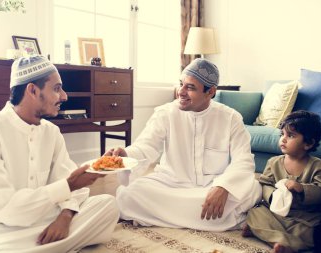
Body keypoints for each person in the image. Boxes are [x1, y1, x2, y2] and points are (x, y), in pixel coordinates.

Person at [0, 56, 119, 253]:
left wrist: (65, 218)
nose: (64, 96)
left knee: (107, 205)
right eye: (56, 88)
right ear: (32, 90)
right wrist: (69, 185)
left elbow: (74, 189)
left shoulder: (51, 132)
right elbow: (6, 209)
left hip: (42, 219)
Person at [106, 58, 262, 231]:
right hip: (170, 184)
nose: (181, 92)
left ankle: (164, 216)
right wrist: (125, 155)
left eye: (190, 87)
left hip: (212, 186)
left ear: (210, 92)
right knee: (128, 194)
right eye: (181, 84)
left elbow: (244, 161)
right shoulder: (165, 113)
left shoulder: (231, 118)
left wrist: (223, 186)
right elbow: (145, 146)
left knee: (252, 189)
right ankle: (220, 220)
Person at [242, 110, 321, 253]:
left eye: (291, 136)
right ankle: (281, 241)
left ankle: (277, 240)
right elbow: (265, 184)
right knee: (256, 213)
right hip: (276, 212)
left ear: (308, 143)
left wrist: (301, 188)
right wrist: (273, 195)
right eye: (282, 134)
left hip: (303, 217)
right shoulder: (273, 162)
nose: (283, 139)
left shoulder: (319, 166)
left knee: (315, 232)